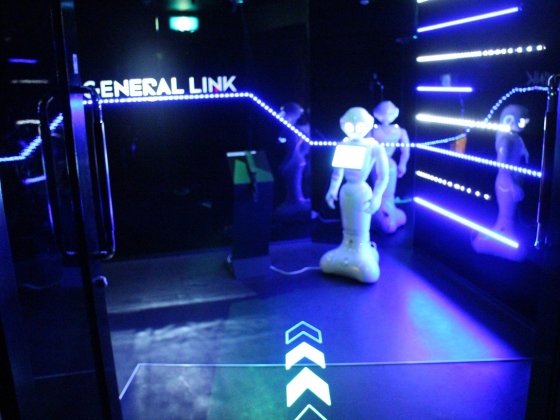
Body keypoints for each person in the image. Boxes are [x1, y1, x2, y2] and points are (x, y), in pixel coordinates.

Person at [320, 107, 389, 283]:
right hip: (346, 191)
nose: (355, 129)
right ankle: (347, 246)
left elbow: (383, 175)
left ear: (368, 125)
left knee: (361, 224)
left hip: (362, 192)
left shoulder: (373, 146)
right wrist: (332, 190)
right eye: (350, 125)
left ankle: (362, 249)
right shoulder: (344, 144)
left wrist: (377, 196)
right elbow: (337, 173)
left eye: (360, 125)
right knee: (347, 224)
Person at [471, 104, 530, 261]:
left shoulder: (516, 138)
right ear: (510, 120)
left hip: (514, 181)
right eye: (523, 120)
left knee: (509, 216)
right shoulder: (505, 140)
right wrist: (512, 185)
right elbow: (502, 165)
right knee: (506, 217)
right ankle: (496, 242)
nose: (526, 123)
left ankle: (498, 241)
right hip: (506, 183)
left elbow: (523, 155)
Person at [370, 100, 410, 233]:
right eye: (383, 113)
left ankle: (387, 213)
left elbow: (406, 150)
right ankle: (380, 213)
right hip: (376, 164)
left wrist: (403, 164)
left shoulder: (400, 131)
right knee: (378, 191)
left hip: (388, 165)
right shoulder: (373, 130)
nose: (386, 115)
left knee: (388, 192)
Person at [276, 102, 311, 214]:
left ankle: (296, 204)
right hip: (297, 160)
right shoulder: (293, 129)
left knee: (293, 184)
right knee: (292, 184)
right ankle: (293, 203)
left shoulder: (290, 130)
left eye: (283, 113)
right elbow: (304, 147)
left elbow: (292, 150)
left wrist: (285, 164)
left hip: (294, 161)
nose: (280, 115)